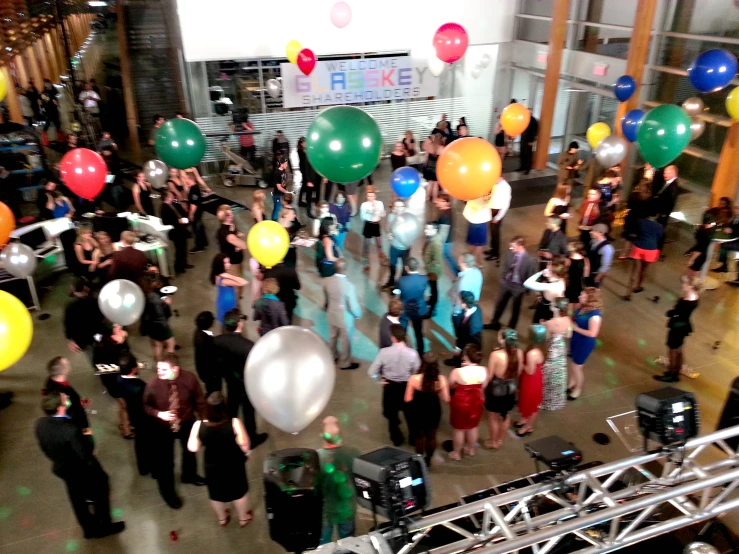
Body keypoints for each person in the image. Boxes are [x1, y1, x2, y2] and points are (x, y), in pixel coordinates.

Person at [35, 391, 125, 539]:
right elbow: (85, 454)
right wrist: (88, 437)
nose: (68, 400)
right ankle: (105, 526)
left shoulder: (40, 424)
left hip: (62, 468)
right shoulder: (70, 430)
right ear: (60, 408)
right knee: (101, 489)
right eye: (65, 400)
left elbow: (45, 447)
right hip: (81, 469)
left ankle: (88, 528)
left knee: (77, 498)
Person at [143, 353, 206, 509]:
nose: (159, 372)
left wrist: (204, 420)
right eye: (158, 368)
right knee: (165, 462)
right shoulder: (152, 385)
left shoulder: (189, 379)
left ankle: (189, 475)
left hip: (186, 422)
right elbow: (145, 406)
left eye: (164, 369)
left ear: (176, 369)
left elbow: (200, 401)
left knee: (190, 451)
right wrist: (159, 414)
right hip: (163, 427)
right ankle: (168, 493)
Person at [187, 392, 252, 527]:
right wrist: (246, 452)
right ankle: (243, 518)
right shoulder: (234, 423)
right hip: (233, 463)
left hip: (212, 464)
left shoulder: (199, 425)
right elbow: (245, 445)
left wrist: (201, 440)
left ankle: (222, 519)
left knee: (215, 493)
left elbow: (192, 447)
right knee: (239, 492)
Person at [212, 309, 269, 448]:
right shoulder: (248, 346)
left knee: (232, 407)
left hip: (230, 380)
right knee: (248, 412)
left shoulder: (217, 341)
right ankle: (252, 437)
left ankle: (230, 433)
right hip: (246, 384)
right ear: (240, 324)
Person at [368, 325, 421, 446]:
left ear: (392, 338)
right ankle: (413, 438)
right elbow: (417, 371)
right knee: (410, 414)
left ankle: (396, 438)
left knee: (392, 415)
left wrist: (378, 381)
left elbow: (371, 372)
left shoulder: (384, 352)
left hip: (390, 387)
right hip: (407, 386)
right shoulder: (413, 353)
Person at [317, 416, 361, 544]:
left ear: (321, 435)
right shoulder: (353, 453)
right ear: (341, 433)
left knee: (324, 547)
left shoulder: (315, 458)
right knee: (348, 544)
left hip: (325, 512)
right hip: (347, 510)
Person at [404, 353, 450, 467]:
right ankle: (428, 460)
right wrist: (438, 391)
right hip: (433, 410)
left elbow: (407, 398)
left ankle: (419, 460)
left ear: (422, 364)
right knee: (431, 436)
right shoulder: (441, 380)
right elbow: (446, 399)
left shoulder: (414, 379)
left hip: (418, 410)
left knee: (419, 437)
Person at [655, 276, 701, 383]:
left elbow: (678, 313)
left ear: (690, 286)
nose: (682, 285)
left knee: (673, 350)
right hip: (684, 326)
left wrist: (671, 313)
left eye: (685, 284)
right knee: (679, 349)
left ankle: (671, 374)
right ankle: (676, 370)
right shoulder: (695, 297)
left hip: (677, 326)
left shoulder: (687, 301)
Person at [486, 237, 536, 331]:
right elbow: (504, 266)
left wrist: (526, 290)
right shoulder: (509, 253)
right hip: (506, 283)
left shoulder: (530, 260)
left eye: (513, 247)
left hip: (518, 287)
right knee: (499, 304)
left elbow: (530, 276)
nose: (510, 248)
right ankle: (494, 323)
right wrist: (502, 278)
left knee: (515, 308)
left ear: (520, 246)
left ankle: (511, 328)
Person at [448, 344, 487, 460]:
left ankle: (456, 453)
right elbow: (483, 386)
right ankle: (471, 449)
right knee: (473, 427)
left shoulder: (457, 372)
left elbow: (451, 385)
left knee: (459, 429)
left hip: (460, 403)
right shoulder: (484, 370)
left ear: (465, 356)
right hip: (475, 402)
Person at [484, 329, 522, 449]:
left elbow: (489, 375)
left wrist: (482, 389)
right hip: (510, 388)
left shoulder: (495, 355)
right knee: (506, 415)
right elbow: (519, 372)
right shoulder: (519, 353)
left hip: (496, 389)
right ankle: (499, 440)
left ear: (503, 340)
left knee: (493, 416)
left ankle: (492, 441)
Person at [324, 259, 362, 370]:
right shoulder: (349, 286)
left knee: (332, 336)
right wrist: (358, 314)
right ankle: (345, 362)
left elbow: (326, 298)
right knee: (345, 341)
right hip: (345, 318)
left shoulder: (327, 281)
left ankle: (332, 355)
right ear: (345, 269)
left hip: (331, 314)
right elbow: (352, 306)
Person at [117, 356, 151, 476]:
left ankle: (143, 468)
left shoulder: (119, 379)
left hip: (133, 414)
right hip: (144, 417)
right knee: (148, 442)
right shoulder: (140, 387)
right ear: (133, 369)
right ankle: (150, 465)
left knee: (139, 442)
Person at [568, 288, 603, 400]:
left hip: (585, 343)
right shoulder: (582, 307)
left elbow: (592, 333)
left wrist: (575, 328)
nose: (579, 297)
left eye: (582, 296)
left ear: (590, 299)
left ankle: (578, 388)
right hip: (576, 338)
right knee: (574, 363)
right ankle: (571, 383)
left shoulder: (595, 316)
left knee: (576, 366)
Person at [44, 357, 91, 434]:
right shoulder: (64, 392)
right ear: (64, 372)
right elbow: (74, 410)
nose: (70, 365)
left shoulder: (50, 381)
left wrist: (79, 401)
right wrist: (85, 428)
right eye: (67, 364)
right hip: (74, 422)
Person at [540, 298, 572, 410]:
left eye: (553, 304)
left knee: (548, 373)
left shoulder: (550, 323)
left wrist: (543, 325)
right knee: (558, 373)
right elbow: (568, 334)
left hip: (552, 349)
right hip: (561, 348)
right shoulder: (568, 319)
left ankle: (546, 400)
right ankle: (556, 400)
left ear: (557, 308)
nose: (551, 305)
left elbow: (546, 337)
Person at [624, 214, 663, 300]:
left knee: (635, 270)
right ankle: (638, 286)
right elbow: (660, 238)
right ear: (657, 216)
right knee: (643, 270)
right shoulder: (659, 226)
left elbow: (634, 233)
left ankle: (628, 293)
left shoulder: (640, 222)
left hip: (639, 247)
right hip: (651, 249)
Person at [516, 324, 546, 436]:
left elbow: (530, 371)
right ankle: (524, 419)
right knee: (526, 400)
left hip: (531, 381)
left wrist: (520, 362)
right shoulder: (541, 348)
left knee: (532, 404)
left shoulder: (531, 353)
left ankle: (528, 426)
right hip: (534, 378)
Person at [140, 273, 176, 362]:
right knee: (171, 343)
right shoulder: (154, 298)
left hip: (150, 325)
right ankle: (170, 363)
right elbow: (159, 314)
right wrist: (164, 304)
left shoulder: (143, 294)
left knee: (157, 345)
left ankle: (158, 364)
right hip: (160, 325)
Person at [398, 257, 429, 356]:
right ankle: (420, 351)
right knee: (418, 332)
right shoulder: (424, 279)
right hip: (419, 309)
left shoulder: (402, 280)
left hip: (405, 309)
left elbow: (397, 293)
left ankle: (401, 351)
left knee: (402, 332)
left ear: (407, 268)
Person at [64, 279, 103, 354]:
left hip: (80, 339)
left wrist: (70, 340)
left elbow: (68, 325)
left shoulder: (70, 308)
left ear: (73, 289)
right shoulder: (95, 303)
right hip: (96, 335)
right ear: (87, 289)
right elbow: (101, 320)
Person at [217, 205, 247, 299]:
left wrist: (237, 236)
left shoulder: (231, 226)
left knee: (239, 280)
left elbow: (235, 235)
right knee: (236, 285)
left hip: (237, 260)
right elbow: (244, 245)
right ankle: (236, 306)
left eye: (231, 212)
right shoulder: (227, 234)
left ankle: (238, 297)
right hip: (232, 264)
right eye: (229, 214)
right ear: (225, 217)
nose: (232, 215)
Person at [447, 291, 483, 367]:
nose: (459, 302)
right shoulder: (476, 307)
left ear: (464, 304)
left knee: (460, 353)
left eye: (460, 300)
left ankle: (458, 365)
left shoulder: (474, 326)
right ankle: (456, 360)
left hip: (468, 342)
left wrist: (461, 349)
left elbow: (473, 342)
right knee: (458, 349)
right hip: (463, 337)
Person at [211, 253, 248, 326]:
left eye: (229, 262)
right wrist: (230, 276)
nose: (229, 264)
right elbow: (243, 282)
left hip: (223, 299)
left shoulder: (217, 274)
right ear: (220, 264)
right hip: (227, 303)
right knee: (229, 321)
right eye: (225, 263)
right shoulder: (224, 280)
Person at [160, 189, 191, 274]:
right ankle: (179, 267)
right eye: (170, 195)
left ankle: (184, 263)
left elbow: (180, 210)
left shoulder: (173, 203)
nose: (172, 196)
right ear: (167, 198)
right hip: (176, 232)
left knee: (184, 247)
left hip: (180, 229)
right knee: (179, 249)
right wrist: (178, 221)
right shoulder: (164, 208)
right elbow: (166, 221)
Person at [383, 199, 411, 290]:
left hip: (405, 248)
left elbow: (411, 233)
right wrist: (388, 233)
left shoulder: (408, 219)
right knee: (392, 265)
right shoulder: (391, 216)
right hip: (394, 246)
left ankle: (401, 286)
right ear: (394, 208)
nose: (398, 209)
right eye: (396, 206)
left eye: (400, 206)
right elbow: (387, 227)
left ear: (404, 208)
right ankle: (391, 282)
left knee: (404, 268)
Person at [651, 165, 679, 252]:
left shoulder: (674, 186)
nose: (664, 174)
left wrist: (663, 213)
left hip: (663, 214)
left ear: (673, 174)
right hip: (660, 212)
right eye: (664, 172)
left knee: (660, 231)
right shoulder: (667, 182)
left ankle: (658, 250)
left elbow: (671, 202)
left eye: (667, 173)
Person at [184, 167, 211, 254]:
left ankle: (199, 246)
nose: (184, 180)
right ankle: (205, 242)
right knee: (200, 227)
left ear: (189, 179)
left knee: (196, 229)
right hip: (199, 211)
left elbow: (194, 204)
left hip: (196, 213)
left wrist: (191, 214)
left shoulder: (194, 190)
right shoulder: (195, 188)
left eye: (185, 178)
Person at [360, 186, 386, 269]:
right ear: (367, 196)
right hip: (368, 224)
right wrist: (371, 216)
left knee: (379, 243)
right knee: (366, 244)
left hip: (376, 224)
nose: (370, 198)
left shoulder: (379, 203)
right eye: (369, 196)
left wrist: (380, 213)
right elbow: (362, 216)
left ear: (375, 196)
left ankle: (382, 258)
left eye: (372, 196)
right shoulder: (364, 205)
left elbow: (382, 214)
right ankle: (365, 261)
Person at [463, 193, 492, 267]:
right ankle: (474, 260)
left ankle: (472, 259)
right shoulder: (485, 193)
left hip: (473, 219)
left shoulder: (473, 192)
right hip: (481, 221)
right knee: (479, 244)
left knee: (473, 242)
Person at [486, 177, 512, 262]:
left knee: (495, 234)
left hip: (497, 212)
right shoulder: (495, 184)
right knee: (492, 232)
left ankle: (495, 254)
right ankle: (492, 249)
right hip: (492, 210)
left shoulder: (506, 187)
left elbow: (506, 205)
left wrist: (498, 217)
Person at [193, 311, 219, 393]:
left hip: (204, 371)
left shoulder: (198, 332)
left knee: (210, 387)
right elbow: (211, 357)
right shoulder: (205, 341)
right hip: (210, 372)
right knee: (214, 389)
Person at [423, 223, 443, 317]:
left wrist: (428, 266)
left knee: (434, 290)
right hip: (431, 269)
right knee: (432, 288)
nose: (425, 231)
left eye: (428, 229)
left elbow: (437, 260)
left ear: (435, 230)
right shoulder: (432, 239)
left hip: (433, 271)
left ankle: (432, 310)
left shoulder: (436, 243)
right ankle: (431, 301)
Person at [687, 213, 714, 278]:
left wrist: (692, 259)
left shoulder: (702, 231)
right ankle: (692, 284)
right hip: (702, 254)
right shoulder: (709, 232)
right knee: (695, 271)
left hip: (699, 254)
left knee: (693, 272)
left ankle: (690, 284)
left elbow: (700, 248)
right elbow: (701, 247)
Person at [434, 194, 456, 274]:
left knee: (446, 256)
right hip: (448, 240)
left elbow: (443, 233)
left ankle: (457, 272)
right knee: (447, 256)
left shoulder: (445, 216)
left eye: (438, 201)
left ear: (445, 202)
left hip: (445, 242)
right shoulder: (447, 212)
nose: (436, 202)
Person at [714, 204, 739, 273]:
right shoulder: (735, 218)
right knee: (723, 245)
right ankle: (724, 265)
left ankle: (724, 266)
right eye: (736, 208)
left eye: (738, 209)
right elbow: (729, 225)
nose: (736, 210)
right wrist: (726, 229)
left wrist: (732, 231)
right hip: (734, 239)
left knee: (724, 245)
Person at [565, 241, 589, 308]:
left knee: (569, 304)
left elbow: (562, 272)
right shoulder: (585, 260)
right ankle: (575, 317)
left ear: (574, 249)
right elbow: (586, 275)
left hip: (569, 285)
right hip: (579, 285)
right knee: (578, 303)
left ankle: (570, 316)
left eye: (570, 245)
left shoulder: (567, 261)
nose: (567, 246)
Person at [297, 136, 318, 211]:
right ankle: (301, 201)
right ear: (301, 143)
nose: (304, 143)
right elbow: (304, 162)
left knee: (305, 186)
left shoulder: (307, 150)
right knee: (304, 185)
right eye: (303, 142)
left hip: (307, 169)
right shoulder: (301, 150)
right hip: (304, 168)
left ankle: (304, 200)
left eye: (305, 142)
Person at [424, 133, 444, 202]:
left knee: (430, 183)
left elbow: (426, 156)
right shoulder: (441, 148)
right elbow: (443, 160)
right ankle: (434, 198)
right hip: (436, 169)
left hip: (428, 167)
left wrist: (425, 165)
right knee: (435, 184)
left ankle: (427, 197)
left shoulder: (429, 146)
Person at [271, 156, 289, 221]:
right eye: (286, 163)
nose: (287, 165)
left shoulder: (283, 171)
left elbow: (283, 182)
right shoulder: (277, 173)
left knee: (280, 208)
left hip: (282, 194)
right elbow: (279, 187)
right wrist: (287, 192)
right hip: (277, 195)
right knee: (277, 208)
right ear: (281, 164)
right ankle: (274, 222)